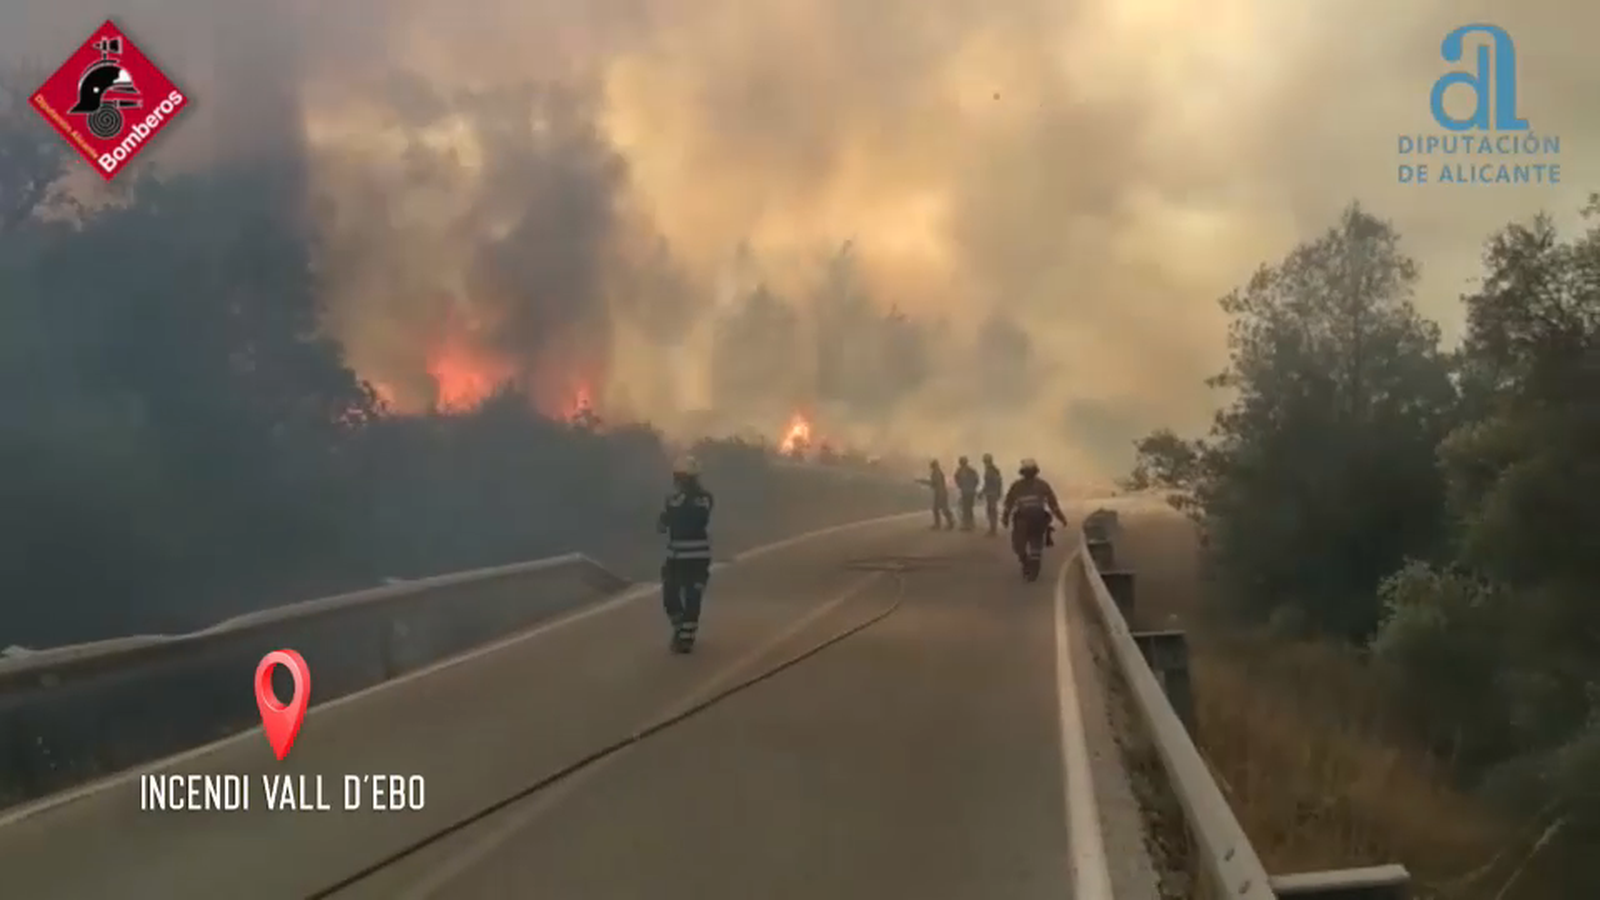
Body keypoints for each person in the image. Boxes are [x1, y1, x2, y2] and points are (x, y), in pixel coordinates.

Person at [657, 455, 715, 653]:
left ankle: (686, 639)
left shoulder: (703, 498)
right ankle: (681, 630)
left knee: (692, 597)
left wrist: (670, 516)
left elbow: (693, 519)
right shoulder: (674, 499)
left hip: (696, 559)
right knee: (670, 596)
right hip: (676, 559)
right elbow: (662, 525)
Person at [1001, 458, 1069, 581]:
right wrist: (1005, 517)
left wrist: (1061, 518)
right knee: (1021, 546)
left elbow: (1053, 504)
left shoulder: (1038, 485)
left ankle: (1032, 567)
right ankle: (1028, 564)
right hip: (1028, 519)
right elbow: (1009, 503)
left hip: (1033, 519)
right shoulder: (1019, 486)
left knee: (1033, 545)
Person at [916, 459, 955, 530]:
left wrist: (922, 481)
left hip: (940, 493)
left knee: (938, 509)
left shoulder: (936, 473)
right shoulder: (938, 472)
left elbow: (934, 483)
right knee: (942, 509)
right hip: (941, 492)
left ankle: (941, 524)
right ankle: (949, 522)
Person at [953, 456, 980, 531]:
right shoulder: (971, 470)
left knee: (966, 508)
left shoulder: (961, 471)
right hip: (969, 491)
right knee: (968, 508)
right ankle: (969, 523)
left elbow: (956, 478)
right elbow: (976, 480)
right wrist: (973, 487)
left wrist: (960, 485)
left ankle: (967, 524)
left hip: (966, 491)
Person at [980, 453, 1004, 536]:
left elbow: (995, 482)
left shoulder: (992, 470)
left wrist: (998, 492)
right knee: (990, 511)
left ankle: (993, 530)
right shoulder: (990, 469)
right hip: (991, 492)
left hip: (992, 493)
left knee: (992, 511)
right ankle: (992, 529)